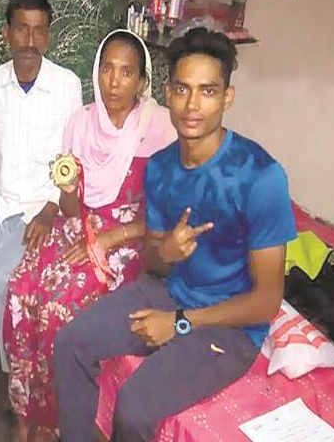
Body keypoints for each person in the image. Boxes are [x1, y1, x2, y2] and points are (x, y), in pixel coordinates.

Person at [53, 27, 297, 442]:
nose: (192, 105)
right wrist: (164, 251)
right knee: (70, 343)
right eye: (182, 89)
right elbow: (153, 262)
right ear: (167, 93)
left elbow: (266, 302)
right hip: (168, 293)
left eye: (208, 91)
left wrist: (179, 324)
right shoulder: (162, 166)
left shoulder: (261, 176)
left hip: (230, 326)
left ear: (228, 97)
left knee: (133, 408)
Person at [4, 29, 176, 442]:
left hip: (130, 240)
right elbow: (70, 208)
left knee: (58, 306)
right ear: (96, 72)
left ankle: (57, 419)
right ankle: (28, 410)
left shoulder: (160, 129)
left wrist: (111, 239)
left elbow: (167, 217)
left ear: (142, 80)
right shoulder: (81, 122)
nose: (114, 82)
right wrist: (67, 189)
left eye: (126, 72)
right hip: (80, 227)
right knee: (20, 288)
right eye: (107, 69)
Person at [0, 0, 82, 409]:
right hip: (1, 204)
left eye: (39, 31)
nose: (30, 40)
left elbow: (70, 160)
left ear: (48, 36)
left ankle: (15, 375)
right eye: (22, 29)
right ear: (6, 33)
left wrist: (51, 208)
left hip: (39, 210)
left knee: (1, 279)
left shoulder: (66, 85)